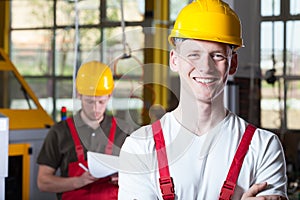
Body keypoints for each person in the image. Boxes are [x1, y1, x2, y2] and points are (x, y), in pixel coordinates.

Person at [118, 0, 288, 199]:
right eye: (193, 55)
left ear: (233, 64)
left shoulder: (264, 147)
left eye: (217, 56)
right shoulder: (140, 146)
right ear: (174, 60)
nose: (205, 67)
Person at [37, 61, 135, 200]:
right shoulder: (59, 132)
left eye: (101, 102)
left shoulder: (125, 131)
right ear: (79, 95)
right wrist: (77, 182)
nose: (95, 108)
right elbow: (43, 182)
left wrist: (125, 179)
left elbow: (144, 176)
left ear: (109, 95)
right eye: (89, 101)